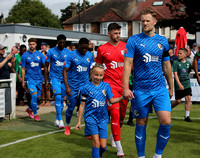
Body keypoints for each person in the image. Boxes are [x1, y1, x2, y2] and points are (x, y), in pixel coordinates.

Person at [123, 7, 173, 158]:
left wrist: (171, 86)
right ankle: (141, 156)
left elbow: (166, 65)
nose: (144, 23)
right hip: (140, 90)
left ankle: (158, 156)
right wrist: (126, 88)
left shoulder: (162, 41)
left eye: (147, 21)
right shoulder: (134, 40)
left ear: (154, 22)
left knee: (165, 121)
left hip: (159, 88)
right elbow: (127, 65)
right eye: (142, 21)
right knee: (141, 122)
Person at [75, 63, 125, 158]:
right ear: (91, 74)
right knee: (96, 143)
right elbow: (82, 105)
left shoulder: (106, 86)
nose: (98, 77)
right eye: (96, 74)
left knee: (103, 146)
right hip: (91, 118)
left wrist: (122, 97)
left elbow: (111, 100)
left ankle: (99, 154)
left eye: (101, 75)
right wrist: (78, 121)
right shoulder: (85, 87)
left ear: (104, 75)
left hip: (103, 119)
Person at [96, 22, 128, 157]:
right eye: (115, 33)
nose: (117, 35)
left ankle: (112, 136)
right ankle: (119, 147)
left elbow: (130, 64)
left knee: (121, 118)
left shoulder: (126, 47)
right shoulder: (102, 49)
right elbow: (97, 66)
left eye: (119, 33)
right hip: (110, 87)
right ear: (108, 34)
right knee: (114, 114)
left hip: (124, 86)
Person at [63, 38, 94, 135]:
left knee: (85, 107)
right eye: (83, 48)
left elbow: (91, 70)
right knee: (71, 107)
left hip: (85, 86)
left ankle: (87, 130)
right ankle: (67, 125)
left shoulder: (90, 55)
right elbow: (65, 71)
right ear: (78, 45)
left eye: (87, 48)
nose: (85, 50)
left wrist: (92, 83)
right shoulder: (71, 55)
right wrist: (67, 87)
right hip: (73, 86)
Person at [45, 34, 71, 129]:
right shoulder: (51, 52)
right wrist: (46, 81)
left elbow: (70, 66)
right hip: (54, 78)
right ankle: (60, 120)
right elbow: (45, 65)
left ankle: (57, 119)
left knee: (61, 100)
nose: (62, 44)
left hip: (64, 79)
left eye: (64, 42)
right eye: (60, 42)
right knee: (57, 97)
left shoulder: (68, 52)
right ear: (57, 42)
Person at [21, 38, 45, 121]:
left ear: (36, 44)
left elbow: (45, 65)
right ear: (28, 45)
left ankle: (29, 109)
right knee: (34, 96)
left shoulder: (40, 54)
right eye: (30, 44)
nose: (31, 46)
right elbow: (23, 69)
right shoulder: (24, 55)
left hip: (39, 79)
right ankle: (36, 114)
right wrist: (23, 80)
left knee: (38, 98)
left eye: (33, 44)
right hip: (30, 79)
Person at [171, 48, 192, 122]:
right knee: (178, 101)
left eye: (180, 53)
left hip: (187, 83)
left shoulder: (188, 63)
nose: (178, 55)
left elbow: (188, 73)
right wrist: (179, 84)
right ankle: (167, 109)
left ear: (185, 55)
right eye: (178, 53)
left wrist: (187, 81)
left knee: (188, 98)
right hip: (178, 84)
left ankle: (187, 116)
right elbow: (175, 74)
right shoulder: (176, 62)